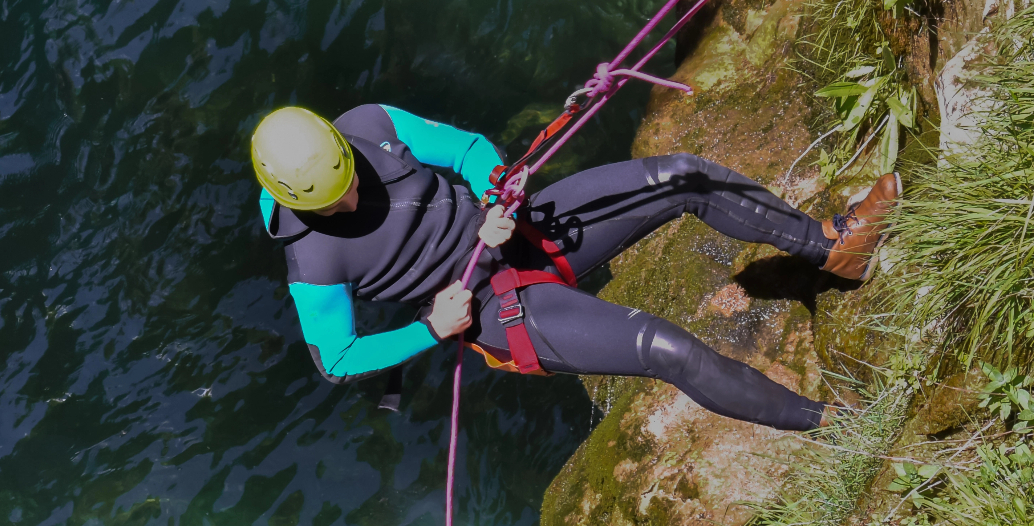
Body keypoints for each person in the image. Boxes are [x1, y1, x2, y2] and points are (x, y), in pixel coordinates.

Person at [250, 103, 902, 431]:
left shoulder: (370, 124)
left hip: (521, 231)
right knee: (663, 347)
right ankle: (838, 426)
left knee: (681, 175)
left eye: (350, 178)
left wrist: (494, 189)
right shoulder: (310, 258)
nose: (354, 196)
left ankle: (835, 246)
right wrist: (432, 330)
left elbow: (469, 149)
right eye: (336, 201)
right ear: (297, 202)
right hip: (495, 310)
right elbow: (334, 358)